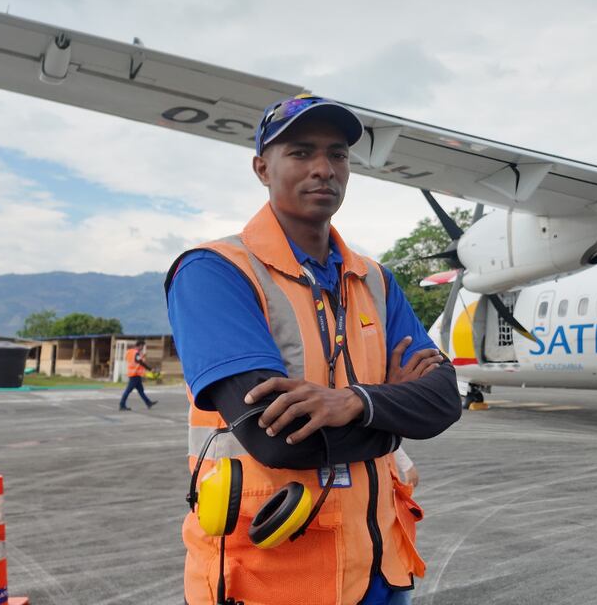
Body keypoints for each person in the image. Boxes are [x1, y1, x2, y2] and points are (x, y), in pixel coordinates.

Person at [166, 94, 461, 605]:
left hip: (381, 569)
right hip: (271, 578)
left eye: (338, 155)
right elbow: (278, 441)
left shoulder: (376, 280)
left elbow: (444, 400)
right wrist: (393, 410)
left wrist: (355, 402)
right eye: (301, 152)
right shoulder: (214, 272)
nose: (324, 169)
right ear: (262, 168)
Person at [119, 339, 157, 410]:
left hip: (134, 374)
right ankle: (122, 405)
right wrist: (150, 369)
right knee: (128, 390)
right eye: (142, 347)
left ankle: (148, 402)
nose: (142, 348)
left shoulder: (129, 352)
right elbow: (139, 362)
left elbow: (134, 360)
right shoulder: (136, 353)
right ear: (140, 346)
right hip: (135, 375)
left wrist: (142, 357)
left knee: (140, 390)